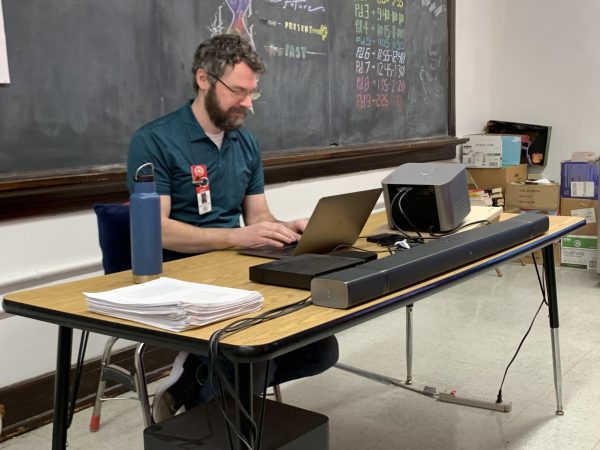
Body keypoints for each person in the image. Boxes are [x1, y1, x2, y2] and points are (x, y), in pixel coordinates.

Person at [127, 34, 338, 422]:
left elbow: (257, 216)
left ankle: (197, 377)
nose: (246, 103)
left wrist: (285, 227)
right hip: (178, 271)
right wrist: (234, 236)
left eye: (252, 93)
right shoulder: (154, 141)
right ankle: (208, 393)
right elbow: (157, 231)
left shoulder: (245, 142)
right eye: (238, 91)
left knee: (320, 350)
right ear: (204, 80)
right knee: (248, 358)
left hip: (235, 267)